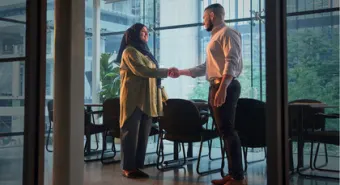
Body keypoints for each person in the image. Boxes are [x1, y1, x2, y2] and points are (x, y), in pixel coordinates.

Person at [169, 3, 246, 185]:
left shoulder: (228, 33)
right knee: (223, 131)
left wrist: (223, 87)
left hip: (224, 85)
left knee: (228, 131)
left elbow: (232, 61)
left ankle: (238, 178)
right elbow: (205, 67)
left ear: (212, 15)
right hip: (216, 85)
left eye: (204, 18)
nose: (203, 22)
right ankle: (233, 174)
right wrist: (180, 72)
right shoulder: (215, 37)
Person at [117, 23, 177, 178]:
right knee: (130, 134)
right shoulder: (129, 51)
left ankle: (136, 166)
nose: (146, 34)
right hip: (133, 99)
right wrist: (166, 71)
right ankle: (128, 168)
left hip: (148, 100)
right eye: (142, 32)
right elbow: (142, 71)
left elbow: (152, 76)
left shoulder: (146, 53)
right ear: (134, 34)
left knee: (143, 135)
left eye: (147, 32)